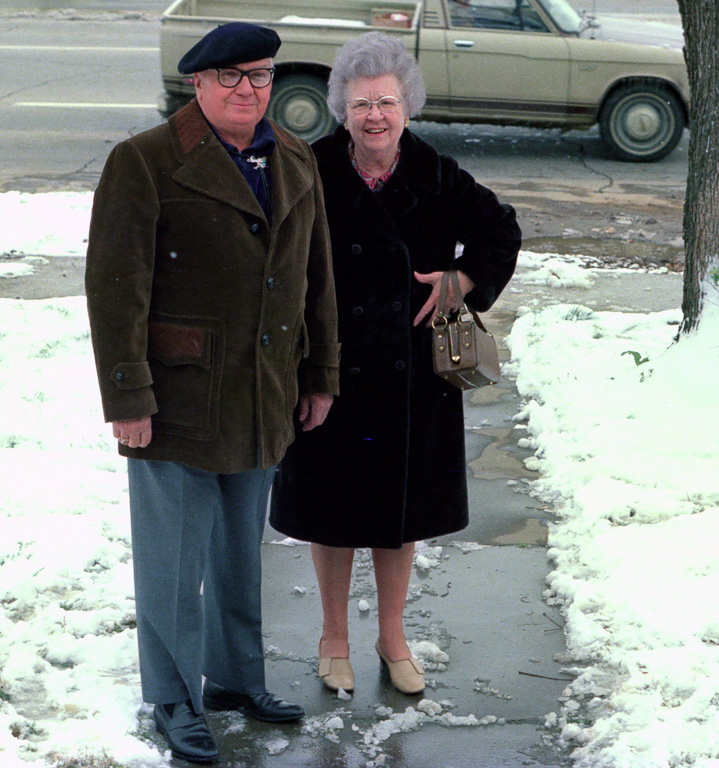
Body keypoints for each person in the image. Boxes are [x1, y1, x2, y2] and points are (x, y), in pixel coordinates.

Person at [85, 22, 340, 764]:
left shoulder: (292, 156)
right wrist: (127, 397)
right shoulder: (146, 162)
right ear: (196, 83)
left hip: (263, 392)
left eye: (259, 76)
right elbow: (114, 289)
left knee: (238, 554)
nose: (247, 90)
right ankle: (172, 695)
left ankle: (233, 680)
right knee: (174, 561)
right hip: (177, 398)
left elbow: (315, 277)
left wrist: (320, 374)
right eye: (229, 77)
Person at [269, 31, 520, 697]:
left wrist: (459, 283)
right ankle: (332, 637)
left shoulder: (435, 172)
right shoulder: (311, 168)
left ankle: (391, 635)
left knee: (398, 514)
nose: (374, 116)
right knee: (331, 512)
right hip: (329, 369)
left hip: (413, 378)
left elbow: (501, 231)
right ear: (340, 111)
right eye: (360, 105)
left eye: (385, 102)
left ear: (407, 105)